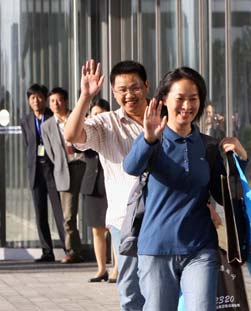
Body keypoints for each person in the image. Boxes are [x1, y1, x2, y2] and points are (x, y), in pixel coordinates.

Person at [122, 67, 248, 311]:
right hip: (157, 249)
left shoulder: (208, 146)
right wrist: (148, 139)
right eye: (180, 98)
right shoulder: (153, 139)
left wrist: (240, 160)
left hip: (200, 248)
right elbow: (131, 167)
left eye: (193, 98)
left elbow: (225, 196)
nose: (187, 106)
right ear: (165, 100)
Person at [64, 59, 148, 309]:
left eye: (134, 87)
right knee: (131, 288)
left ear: (146, 86)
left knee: (163, 284)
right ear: (113, 92)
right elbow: (71, 135)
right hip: (126, 220)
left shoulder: (166, 118)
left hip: (165, 216)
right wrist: (85, 97)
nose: (129, 94)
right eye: (122, 89)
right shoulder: (106, 124)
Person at [20, 84, 65, 262]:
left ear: (44, 99)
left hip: (52, 169)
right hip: (36, 170)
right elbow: (28, 145)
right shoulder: (25, 120)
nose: (36, 101)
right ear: (29, 101)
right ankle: (47, 252)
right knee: (40, 213)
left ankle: (68, 248)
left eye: (39, 97)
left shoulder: (52, 117)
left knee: (59, 212)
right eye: (32, 98)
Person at [41, 87, 86, 264]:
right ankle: (73, 250)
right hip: (65, 169)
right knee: (68, 214)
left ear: (66, 101)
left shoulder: (77, 115)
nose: (56, 104)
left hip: (82, 163)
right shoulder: (47, 126)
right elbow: (50, 152)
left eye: (59, 100)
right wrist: (61, 164)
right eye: (52, 101)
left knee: (94, 207)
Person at [81, 98, 118, 283]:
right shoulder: (86, 133)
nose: (97, 118)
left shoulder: (114, 134)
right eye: (94, 114)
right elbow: (74, 145)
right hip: (92, 185)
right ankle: (101, 268)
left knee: (115, 229)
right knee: (97, 229)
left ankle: (117, 269)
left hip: (110, 185)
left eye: (100, 114)